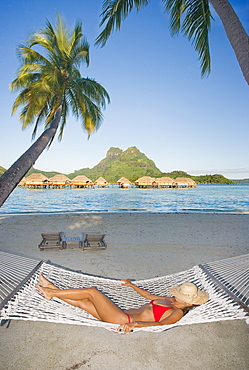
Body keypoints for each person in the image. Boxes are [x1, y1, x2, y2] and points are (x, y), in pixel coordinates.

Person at [36, 274, 209, 333]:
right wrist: (132, 285)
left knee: (92, 292)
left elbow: (160, 325)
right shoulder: (171, 301)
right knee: (84, 302)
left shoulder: (176, 313)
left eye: (181, 295)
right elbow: (148, 295)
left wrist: (134, 325)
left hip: (122, 319)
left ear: (188, 302)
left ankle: (51, 292)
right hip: (119, 313)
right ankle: (52, 289)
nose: (176, 295)